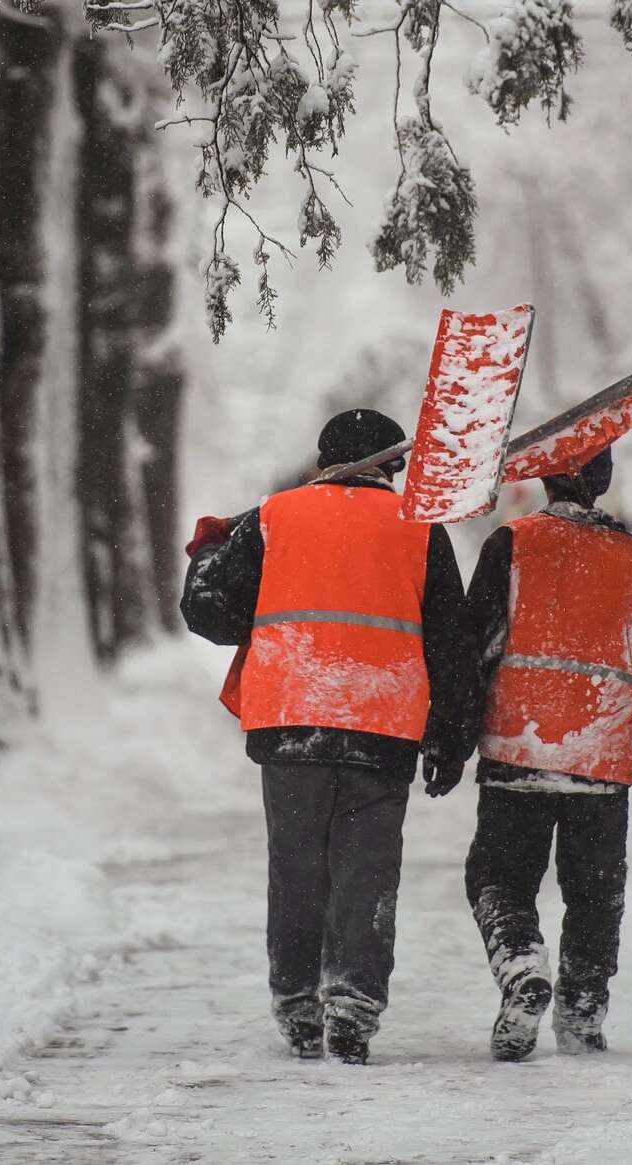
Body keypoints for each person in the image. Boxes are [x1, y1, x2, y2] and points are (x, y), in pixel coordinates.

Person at [180, 409, 474, 1065]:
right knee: (367, 874)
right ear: (392, 467)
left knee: (297, 870)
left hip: (291, 722)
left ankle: (297, 1006)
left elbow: (209, 614)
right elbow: (453, 645)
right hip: (382, 727)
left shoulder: (273, 517)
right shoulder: (422, 532)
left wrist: (211, 548)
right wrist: (451, 740)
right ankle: (353, 1008)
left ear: (322, 460)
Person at [454, 446, 632, 1062]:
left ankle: (523, 967)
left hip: (520, 745)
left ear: (547, 480)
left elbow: (477, 639)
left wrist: (449, 737)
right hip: (604, 755)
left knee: (499, 877)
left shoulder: (514, 543)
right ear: (603, 484)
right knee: (594, 892)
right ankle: (582, 1013)